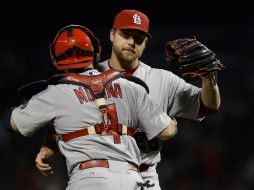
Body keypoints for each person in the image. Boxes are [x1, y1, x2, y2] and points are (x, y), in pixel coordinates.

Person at [35, 9, 222, 190]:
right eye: (126, 34)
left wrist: (209, 79)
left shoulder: (163, 80)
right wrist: (48, 147)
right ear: (112, 35)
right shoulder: (85, 77)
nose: (132, 42)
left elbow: (208, 107)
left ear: (145, 43)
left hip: (145, 176)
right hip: (96, 176)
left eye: (139, 38)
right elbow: (60, 119)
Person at [2, 24, 178, 190]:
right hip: (132, 178)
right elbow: (167, 132)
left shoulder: (55, 92)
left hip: (89, 179)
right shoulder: (130, 86)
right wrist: (172, 122)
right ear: (95, 53)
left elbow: (10, 123)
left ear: (57, 61)